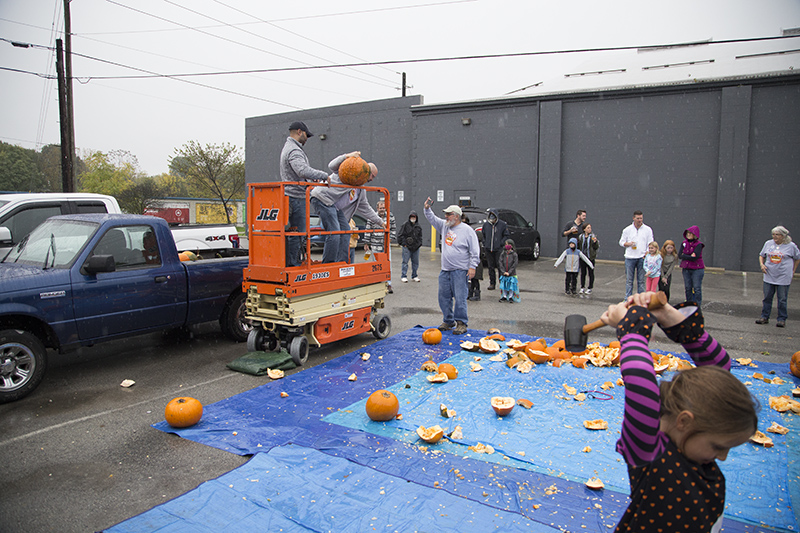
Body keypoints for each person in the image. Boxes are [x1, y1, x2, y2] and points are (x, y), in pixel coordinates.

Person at [601, 292, 758, 532]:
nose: (723, 457)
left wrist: (667, 314)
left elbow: (720, 370)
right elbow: (640, 381)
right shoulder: (648, 450)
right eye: (718, 446)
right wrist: (631, 328)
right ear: (684, 420)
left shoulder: (692, 443)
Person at [310, 151, 380, 264]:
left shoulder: (360, 189)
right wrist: (347, 156)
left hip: (333, 206)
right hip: (322, 197)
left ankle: (341, 263)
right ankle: (329, 264)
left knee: (346, 231)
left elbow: (366, 208)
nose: (372, 179)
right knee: (334, 233)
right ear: (366, 170)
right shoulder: (348, 172)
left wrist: (380, 222)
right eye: (372, 175)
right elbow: (331, 165)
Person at [423, 199, 480, 335]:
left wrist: (472, 266)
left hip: (460, 270)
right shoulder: (445, 226)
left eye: (449, 214)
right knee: (443, 296)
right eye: (446, 214)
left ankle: (461, 323)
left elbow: (475, 250)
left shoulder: (467, 231)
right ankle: (448, 321)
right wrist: (427, 209)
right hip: (445, 270)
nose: (446, 216)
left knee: (460, 297)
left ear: (456, 216)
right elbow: (432, 218)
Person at [280, 121, 330, 267]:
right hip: (295, 196)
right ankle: (293, 263)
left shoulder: (288, 148)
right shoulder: (294, 150)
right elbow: (301, 170)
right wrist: (323, 176)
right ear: (299, 132)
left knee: (292, 233)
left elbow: (299, 172)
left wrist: (309, 178)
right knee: (298, 233)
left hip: (290, 194)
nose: (307, 138)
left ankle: (290, 262)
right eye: (306, 135)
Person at [756, 225, 800, 328]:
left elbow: (797, 258)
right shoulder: (768, 243)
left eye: (777, 235)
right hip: (769, 275)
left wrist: (793, 270)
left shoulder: (791, 246)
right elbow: (762, 255)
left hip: (783, 276)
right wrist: (762, 265)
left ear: (783, 236)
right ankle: (764, 317)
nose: (775, 237)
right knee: (767, 297)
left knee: (782, 299)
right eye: (773, 234)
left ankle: (781, 319)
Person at [619, 210, 654, 298]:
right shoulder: (627, 230)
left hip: (642, 257)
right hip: (630, 257)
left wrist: (647, 252)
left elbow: (650, 242)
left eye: (641, 218)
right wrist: (628, 244)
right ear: (633, 218)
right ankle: (628, 298)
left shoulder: (647, 229)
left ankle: (641, 298)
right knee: (629, 280)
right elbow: (621, 242)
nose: (639, 220)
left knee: (641, 280)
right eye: (638, 218)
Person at [365, 198, 396, 293]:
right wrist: (366, 243)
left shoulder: (390, 216)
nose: (382, 209)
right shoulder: (372, 217)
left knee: (387, 264)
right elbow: (368, 230)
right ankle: (378, 284)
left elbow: (393, 228)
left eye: (383, 208)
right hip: (375, 246)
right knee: (376, 265)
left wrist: (391, 238)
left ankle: (388, 284)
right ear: (377, 208)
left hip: (386, 246)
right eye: (380, 208)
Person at [481, 210, 509, 291]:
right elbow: (483, 235)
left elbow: (506, 235)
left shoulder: (502, 225)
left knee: (500, 266)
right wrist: (485, 243)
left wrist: (501, 243)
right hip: (488, 249)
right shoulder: (486, 225)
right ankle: (492, 283)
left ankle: (502, 283)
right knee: (490, 267)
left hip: (498, 249)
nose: (492, 219)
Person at [679, 225, 705, 307]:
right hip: (686, 269)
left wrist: (685, 255)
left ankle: (697, 305)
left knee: (697, 288)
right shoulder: (684, 243)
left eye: (691, 233)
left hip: (697, 269)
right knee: (687, 288)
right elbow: (680, 255)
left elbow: (695, 257)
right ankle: (688, 304)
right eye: (688, 233)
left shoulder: (698, 245)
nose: (689, 235)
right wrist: (689, 255)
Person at [398, 210, 423, 283]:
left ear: (416, 217)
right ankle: (403, 276)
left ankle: (414, 275)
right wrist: (404, 244)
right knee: (405, 262)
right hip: (407, 247)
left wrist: (419, 244)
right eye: (411, 216)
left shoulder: (418, 226)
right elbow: (400, 235)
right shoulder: (405, 225)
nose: (413, 218)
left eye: (414, 217)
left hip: (416, 248)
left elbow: (420, 237)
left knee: (415, 262)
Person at [463, 214, 483, 301]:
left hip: (476, 263)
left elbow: (478, 253)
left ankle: (477, 294)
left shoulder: (471, 234)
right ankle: (470, 293)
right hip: (469, 261)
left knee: (475, 280)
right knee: (470, 280)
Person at [577, 223, 599, 294]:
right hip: (583, 257)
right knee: (583, 273)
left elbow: (596, 247)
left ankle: (590, 287)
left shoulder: (592, 236)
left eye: (590, 228)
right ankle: (582, 287)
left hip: (590, 257)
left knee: (591, 273)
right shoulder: (581, 237)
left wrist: (595, 242)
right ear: (584, 229)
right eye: (588, 228)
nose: (590, 229)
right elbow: (579, 246)